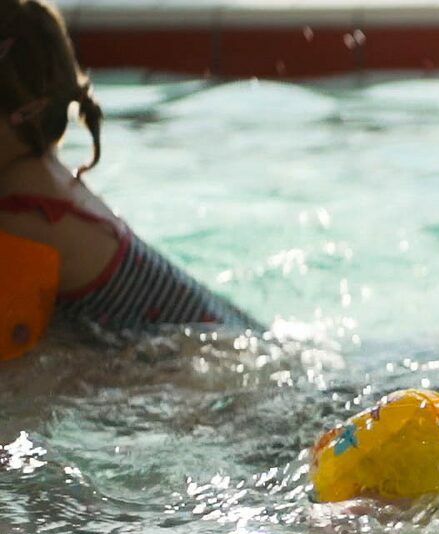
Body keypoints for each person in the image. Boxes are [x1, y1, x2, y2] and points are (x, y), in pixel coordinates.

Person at [0, 0, 256, 360]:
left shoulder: (25, 217)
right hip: (233, 338)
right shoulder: (40, 174)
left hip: (213, 366)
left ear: (22, 112)